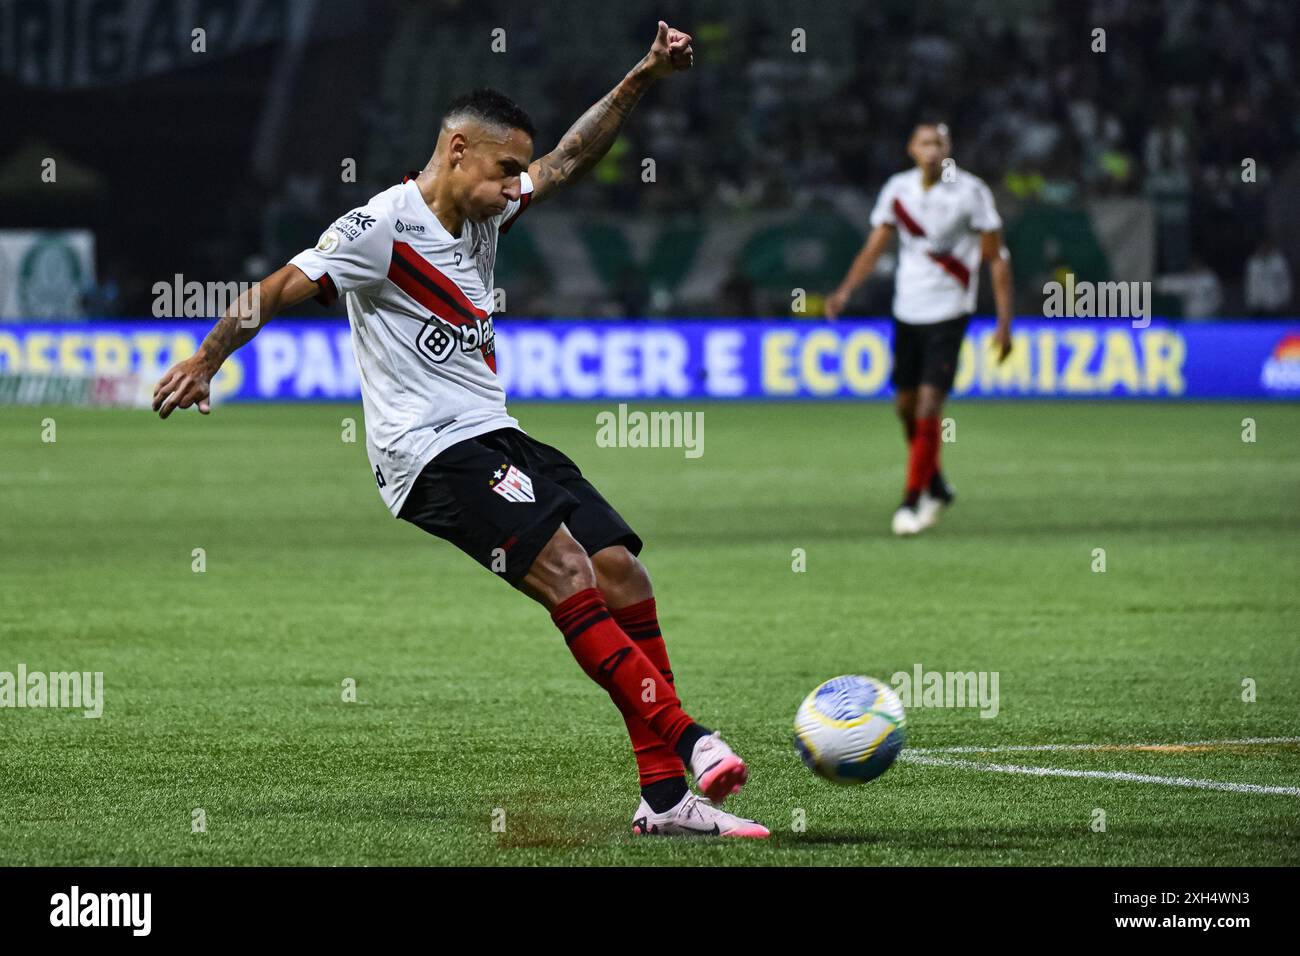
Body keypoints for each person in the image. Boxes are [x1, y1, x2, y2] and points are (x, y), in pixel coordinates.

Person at [151, 22, 768, 839]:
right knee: (567, 568)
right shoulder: (378, 229)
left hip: (493, 432)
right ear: (456, 150)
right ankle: (690, 740)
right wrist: (207, 357)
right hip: (426, 455)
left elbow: (570, 160)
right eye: (505, 168)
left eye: (520, 171)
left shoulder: (487, 215)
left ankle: (663, 802)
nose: (518, 184)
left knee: (622, 572)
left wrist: (643, 76)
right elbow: (277, 287)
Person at [826, 123, 1014, 535]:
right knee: (905, 408)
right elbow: (875, 247)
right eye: (926, 143)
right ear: (911, 149)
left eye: (941, 143)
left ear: (950, 148)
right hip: (907, 309)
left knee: (930, 406)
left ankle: (911, 501)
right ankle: (939, 485)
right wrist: (845, 291)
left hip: (950, 311)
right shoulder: (898, 190)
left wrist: (1004, 321)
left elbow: (995, 257)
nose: (933, 150)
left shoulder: (971, 191)